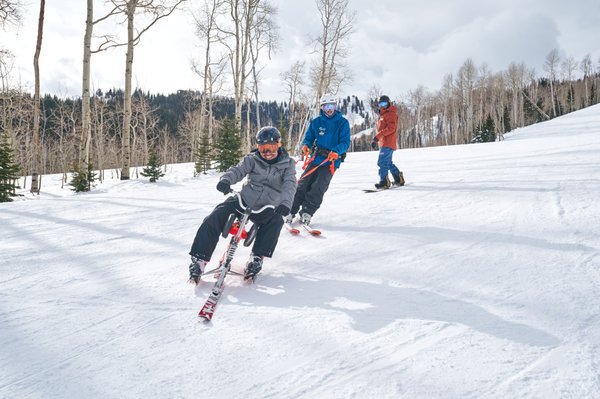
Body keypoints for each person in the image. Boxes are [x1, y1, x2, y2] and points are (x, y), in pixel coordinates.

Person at [188, 126, 296, 284]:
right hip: (244, 199)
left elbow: (290, 185)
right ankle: (199, 260)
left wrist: (285, 203)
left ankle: (257, 258)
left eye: (271, 147)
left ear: (279, 145)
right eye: (263, 148)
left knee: (276, 221)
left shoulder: (288, 164)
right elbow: (238, 170)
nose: (267, 153)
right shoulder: (252, 159)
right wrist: (226, 180)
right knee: (218, 214)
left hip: (267, 205)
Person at [288, 93, 351, 225]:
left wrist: (336, 151)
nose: (329, 108)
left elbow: (345, 142)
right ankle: (290, 210)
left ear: (335, 106)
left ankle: (307, 212)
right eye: (326, 106)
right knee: (303, 184)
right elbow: (309, 137)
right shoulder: (316, 122)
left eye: (332, 105)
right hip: (316, 158)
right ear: (322, 107)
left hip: (331, 161)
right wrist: (306, 145)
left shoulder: (343, 123)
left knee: (319, 187)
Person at [371, 95, 405, 189]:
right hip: (384, 142)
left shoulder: (391, 114)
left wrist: (377, 137)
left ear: (389, 103)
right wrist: (377, 140)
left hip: (388, 142)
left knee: (382, 162)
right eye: (381, 104)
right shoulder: (383, 115)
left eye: (385, 103)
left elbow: (391, 128)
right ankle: (398, 178)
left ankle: (384, 181)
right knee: (388, 162)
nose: (383, 106)